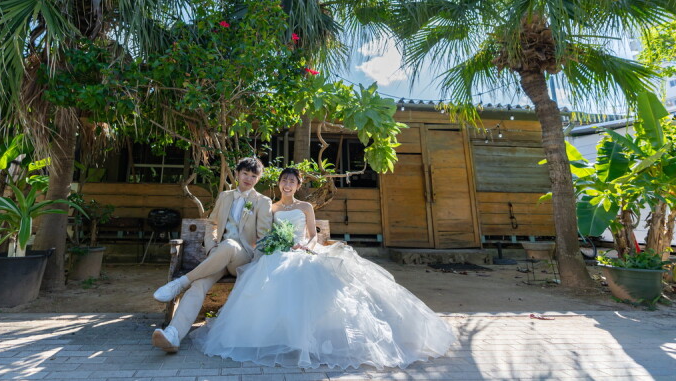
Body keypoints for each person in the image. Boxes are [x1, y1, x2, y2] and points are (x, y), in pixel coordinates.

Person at [191, 167, 456, 369]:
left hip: (303, 250)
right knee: (271, 275)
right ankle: (280, 335)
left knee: (312, 275)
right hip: (279, 251)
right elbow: (263, 233)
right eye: (284, 180)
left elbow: (312, 234)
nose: (287, 184)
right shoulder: (269, 207)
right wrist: (276, 245)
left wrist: (305, 246)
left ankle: (314, 337)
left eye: (292, 181)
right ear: (279, 183)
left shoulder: (306, 206)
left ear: (297, 185)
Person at [151, 157, 272, 353]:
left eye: (253, 176)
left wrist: (255, 268)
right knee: (198, 285)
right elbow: (212, 225)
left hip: (242, 259)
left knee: (230, 245)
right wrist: (212, 248)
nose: (248, 179)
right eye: (245, 174)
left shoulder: (262, 202)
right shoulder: (225, 196)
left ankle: (181, 282)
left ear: (258, 179)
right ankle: (173, 334)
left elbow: (264, 237)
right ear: (237, 174)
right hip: (218, 257)